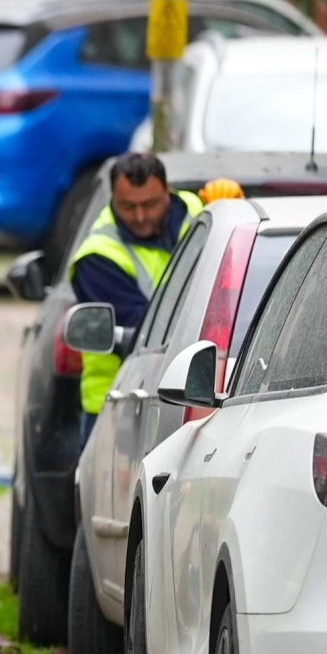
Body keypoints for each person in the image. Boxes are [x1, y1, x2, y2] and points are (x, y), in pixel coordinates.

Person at [69, 153, 241, 444]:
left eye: (149, 204)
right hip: (117, 405)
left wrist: (234, 207)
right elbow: (145, 335)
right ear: (113, 198)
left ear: (167, 192)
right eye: (127, 206)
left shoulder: (202, 213)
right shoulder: (98, 255)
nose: (139, 216)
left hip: (203, 393)